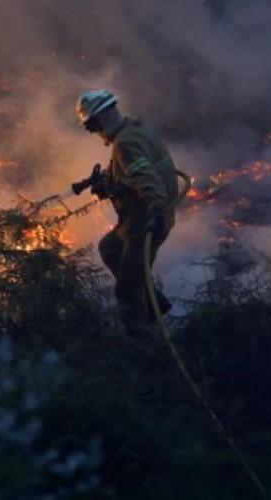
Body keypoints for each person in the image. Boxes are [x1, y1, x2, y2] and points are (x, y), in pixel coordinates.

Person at [76, 89, 179, 337]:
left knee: (127, 288)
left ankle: (143, 344)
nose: (94, 132)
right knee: (110, 248)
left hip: (145, 223)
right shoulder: (136, 129)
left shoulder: (125, 144)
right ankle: (156, 303)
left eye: (91, 126)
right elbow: (136, 172)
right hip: (139, 220)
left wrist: (156, 213)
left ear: (101, 118)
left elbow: (147, 180)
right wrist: (109, 183)